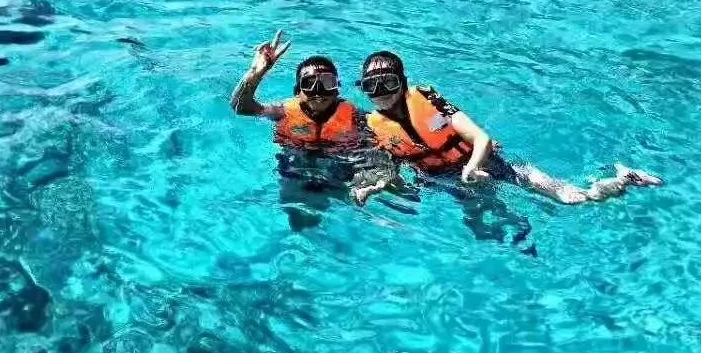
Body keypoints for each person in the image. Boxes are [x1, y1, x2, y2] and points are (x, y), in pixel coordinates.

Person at [351, 51, 662, 207]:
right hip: (446, 181)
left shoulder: (429, 99)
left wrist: (472, 167)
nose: (380, 93)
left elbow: (481, 138)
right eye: (370, 86)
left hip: (489, 165)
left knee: (572, 198)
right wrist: (376, 186)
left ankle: (624, 178)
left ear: (403, 82)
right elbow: (389, 168)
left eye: (388, 83)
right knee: (481, 225)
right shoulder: (373, 126)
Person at [232, 33, 386, 230]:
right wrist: (255, 73)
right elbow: (240, 107)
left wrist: (373, 177)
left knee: (342, 210)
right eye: (309, 83)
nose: (318, 90)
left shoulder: (356, 116)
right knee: (296, 216)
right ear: (298, 91)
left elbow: (375, 150)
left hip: (340, 165)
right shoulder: (283, 112)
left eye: (327, 82)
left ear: (337, 88)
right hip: (295, 166)